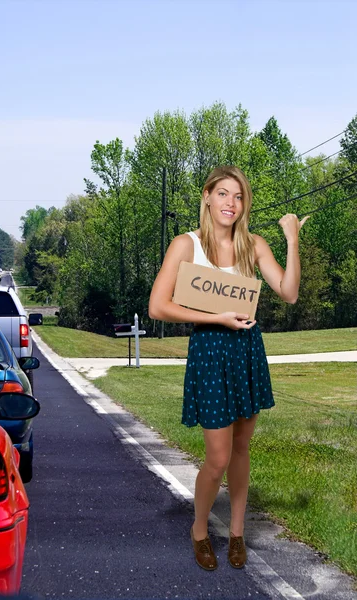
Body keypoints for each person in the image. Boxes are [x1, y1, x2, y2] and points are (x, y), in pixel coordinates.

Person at [148, 165, 309, 571]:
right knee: (217, 457)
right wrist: (216, 317)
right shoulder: (186, 245)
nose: (230, 204)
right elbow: (158, 306)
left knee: (241, 448)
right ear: (207, 196)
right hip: (210, 350)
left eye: (238, 197)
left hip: (246, 351)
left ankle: (236, 532)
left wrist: (291, 239)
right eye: (223, 194)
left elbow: (288, 293)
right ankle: (199, 530)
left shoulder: (253, 245)